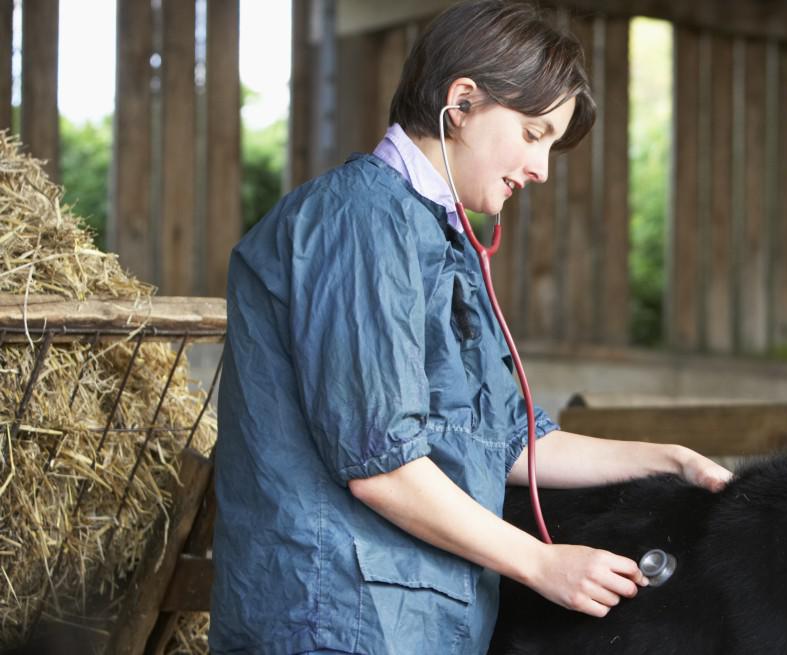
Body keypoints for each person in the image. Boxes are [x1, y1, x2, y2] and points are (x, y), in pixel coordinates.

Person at [210, 2, 731, 653]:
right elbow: (382, 464)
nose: (541, 167)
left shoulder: (439, 239)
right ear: (461, 103)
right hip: (334, 618)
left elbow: (508, 441)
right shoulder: (359, 221)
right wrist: (542, 561)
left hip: (416, 622)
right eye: (534, 132)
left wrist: (670, 459)